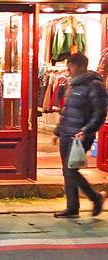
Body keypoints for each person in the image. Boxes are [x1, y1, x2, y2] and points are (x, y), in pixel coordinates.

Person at [52, 53, 107, 218]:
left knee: (70, 170)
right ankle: (72, 207)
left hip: (80, 136)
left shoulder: (94, 85)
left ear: (81, 66)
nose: (69, 69)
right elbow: (67, 111)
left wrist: (86, 130)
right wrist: (57, 131)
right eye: (68, 65)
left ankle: (95, 197)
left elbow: (99, 113)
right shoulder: (73, 84)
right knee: (67, 170)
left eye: (72, 65)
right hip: (66, 133)